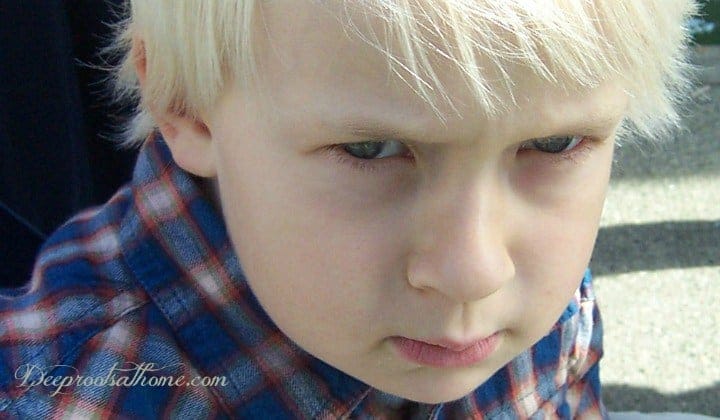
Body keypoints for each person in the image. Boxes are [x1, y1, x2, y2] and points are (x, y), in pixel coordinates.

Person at [0, 1, 702, 418]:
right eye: (371, 149)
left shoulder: (536, 307)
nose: (474, 271)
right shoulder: (70, 395)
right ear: (189, 109)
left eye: (552, 144)